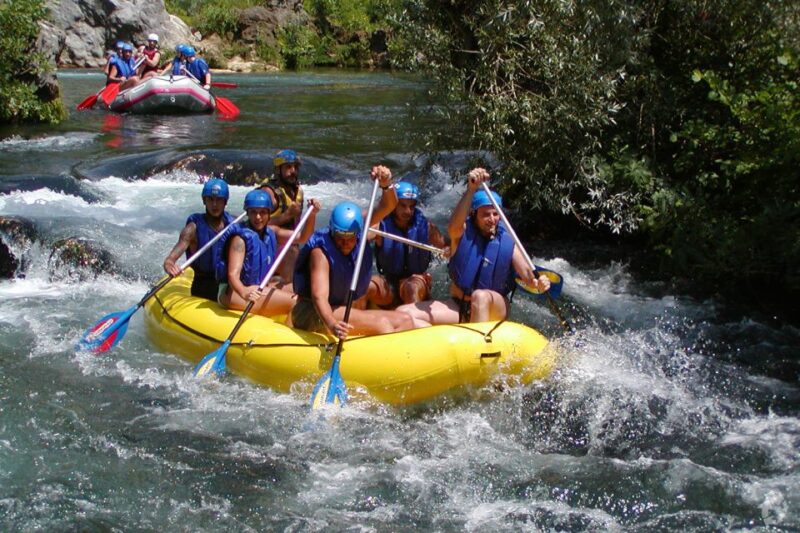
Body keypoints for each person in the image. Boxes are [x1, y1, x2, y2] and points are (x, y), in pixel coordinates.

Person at [397, 168, 550, 325]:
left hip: (493, 307)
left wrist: (538, 283)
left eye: (495, 214)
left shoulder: (507, 240)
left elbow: (528, 276)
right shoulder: (462, 234)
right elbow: (453, 225)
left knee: (480, 296)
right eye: (485, 214)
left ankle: (480, 339)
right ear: (474, 215)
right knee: (405, 312)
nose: (492, 219)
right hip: (460, 305)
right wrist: (471, 190)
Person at [291, 166, 427, 340]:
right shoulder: (320, 253)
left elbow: (388, 205)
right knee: (383, 325)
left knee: (405, 320)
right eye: (340, 238)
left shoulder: (359, 228)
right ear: (332, 231)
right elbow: (319, 297)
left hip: (338, 308)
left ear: (357, 233)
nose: (345, 243)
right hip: (314, 312)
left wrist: (386, 184)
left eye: (350, 238)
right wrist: (332, 324)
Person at [217, 190, 320, 317]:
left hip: (259, 286)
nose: (258, 217)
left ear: (269, 213)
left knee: (306, 290)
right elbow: (232, 275)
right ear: (247, 212)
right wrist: (244, 292)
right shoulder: (239, 240)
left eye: (262, 212)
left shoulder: (272, 232)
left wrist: (312, 215)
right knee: (296, 303)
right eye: (253, 212)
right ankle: (287, 328)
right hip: (234, 292)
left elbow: (303, 237)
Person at [368, 181, 448, 306]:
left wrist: (449, 249)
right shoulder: (380, 226)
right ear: (394, 205)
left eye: (412, 206)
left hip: (416, 280)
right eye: (403, 205)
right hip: (389, 281)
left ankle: (413, 315)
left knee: (411, 288)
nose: (408, 211)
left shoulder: (426, 227)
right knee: (367, 286)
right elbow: (360, 238)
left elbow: (446, 246)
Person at [163, 178, 235, 301]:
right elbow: (170, 260)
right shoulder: (192, 228)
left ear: (225, 201)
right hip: (203, 285)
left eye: (219, 200)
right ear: (204, 200)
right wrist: (169, 265)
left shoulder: (235, 224)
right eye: (210, 199)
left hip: (227, 284)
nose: (214, 204)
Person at [258, 149, 305, 281]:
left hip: (291, 243)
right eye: (288, 167)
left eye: (295, 167)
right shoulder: (268, 193)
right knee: (292, 252)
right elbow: (257, 225)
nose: (293, 171)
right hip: (269, 247)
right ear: (278, 170)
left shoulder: (298, 191)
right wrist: (287, 215)